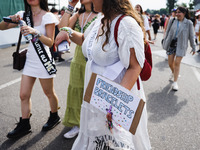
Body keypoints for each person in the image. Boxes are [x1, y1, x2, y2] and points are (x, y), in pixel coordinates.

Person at [55, 0, 151, 149]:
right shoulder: (100, 18)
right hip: (97, 96)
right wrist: (67, 32)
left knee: (118, 143)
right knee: (100, 142)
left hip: (115, 100)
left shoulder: (126, 24)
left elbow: (135, 66)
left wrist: (114, 106)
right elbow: (84, 40)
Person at [0, 0, 60, 138]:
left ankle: (54, 116)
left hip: (44, 60)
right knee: (23, 95)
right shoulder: (22, 14)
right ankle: (24, 124)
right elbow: (2, 27)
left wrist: (36, 32)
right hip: (30, 60)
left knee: (49, 92)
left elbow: (50, 42)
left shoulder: (48, 16)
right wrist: (11, 18)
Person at [58, 0, 97, 139]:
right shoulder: (78, 14)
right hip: (77, 59)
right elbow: (62, 28)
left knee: (92, 94)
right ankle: (77, 124)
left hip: (94, 61)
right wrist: (70, 6)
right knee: (76, 92)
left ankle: (93, 125)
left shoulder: (100, 15)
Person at [163, 6, 196, 91]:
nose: (177, 14)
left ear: (184, 13)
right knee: (170, 63)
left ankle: (175, 82)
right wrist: (165, 41)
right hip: (171, 44)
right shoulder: (172, 20)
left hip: (181, 45)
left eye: (179, 12)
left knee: (177, 63)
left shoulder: (189, 23)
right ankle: (174, 73)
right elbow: (167, 31)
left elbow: (191, 37)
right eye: (176, 12)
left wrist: (194, 47)